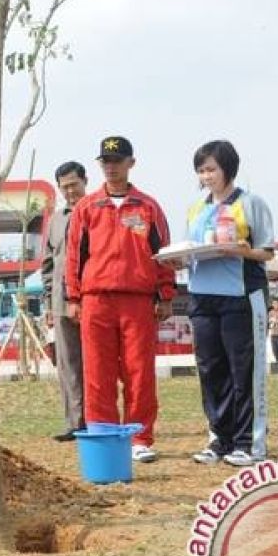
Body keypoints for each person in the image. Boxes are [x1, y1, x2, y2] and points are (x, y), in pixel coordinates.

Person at [64, 135, 174, 465]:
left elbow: (163, 254)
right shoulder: (86, 207)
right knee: (97, 372)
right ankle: (104, 433)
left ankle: (140, 437)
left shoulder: (148, 207)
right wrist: (73, 297)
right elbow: (74, 257)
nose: (111, 167)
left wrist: (166, 294)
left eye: (118, 161)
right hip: (95, 300)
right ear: (100, 165)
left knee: (140, 372)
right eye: (106, 162)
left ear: (131, 163)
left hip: (137, 300)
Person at [181, 140, 275, 468]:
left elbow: (267, 251)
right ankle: (218, 439)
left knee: (243, 370)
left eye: (211, 169)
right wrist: (176, 261)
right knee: (210, 369)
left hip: (241, 296)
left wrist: (243, 251)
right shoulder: (196, 208)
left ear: (228, 169)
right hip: (202, 297)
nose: (205, 176)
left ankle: (248, 443)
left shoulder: (250, 204)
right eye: (201, 170)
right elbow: (190, 249)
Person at [41, 161, 88, 442]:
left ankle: (100, 420)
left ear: (85, 181)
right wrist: (49, 302)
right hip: (60, 300)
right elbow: (48, 263)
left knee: (96, 362)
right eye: (64, 187)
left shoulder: (98, 211)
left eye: (74, 184)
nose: (70, 191)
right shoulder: (57, 220)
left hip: (91, 299)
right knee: (68, 363)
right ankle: (75, 422)